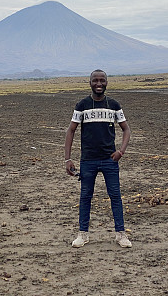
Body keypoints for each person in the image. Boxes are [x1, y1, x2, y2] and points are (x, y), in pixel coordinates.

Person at [64, 69, 132, 248]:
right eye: (95, 80)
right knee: (85, 196)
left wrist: (121, 152)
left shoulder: (114, 105)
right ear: (90, 83)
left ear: (107, 83)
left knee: (115, 196)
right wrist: (67, 159)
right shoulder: (82, 105)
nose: (99, 84)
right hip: (88, 160)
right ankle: (82, 235)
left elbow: (126, 129)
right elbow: (71, 130)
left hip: (110, 160)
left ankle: (121, 234)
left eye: (102, 80)